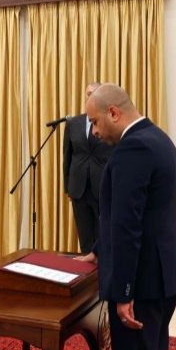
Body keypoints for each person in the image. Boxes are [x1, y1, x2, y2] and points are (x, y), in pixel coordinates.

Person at [78, 84, 176, 350]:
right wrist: (98, 250)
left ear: (114, 113)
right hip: (163, 275)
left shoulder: (133, 150)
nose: (94, 132)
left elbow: (128, 226)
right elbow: (139, 212)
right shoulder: (158, 139)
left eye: (95, 123)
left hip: (140, 283)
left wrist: (123, 291)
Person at [63, 82, 113, 253]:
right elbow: (67, 156)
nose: (90, 96)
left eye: (94, 93)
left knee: (103, 235)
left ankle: (102, 274)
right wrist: (67, 186)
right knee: (84, 236)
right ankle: (86, 273)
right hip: (78, 188)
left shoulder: (109, 121)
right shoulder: (73, 123)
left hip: (102, 185)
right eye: (88, 93)